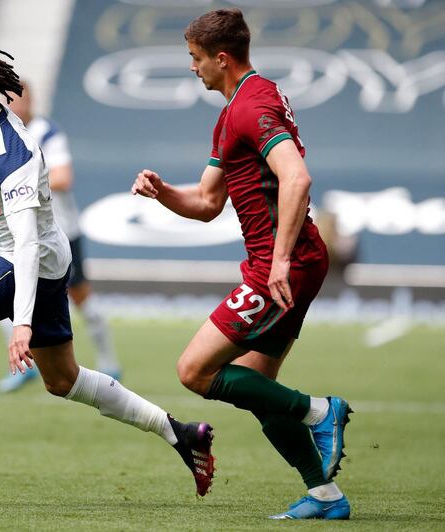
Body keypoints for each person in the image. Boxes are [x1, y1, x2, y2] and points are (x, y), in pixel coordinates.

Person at [0, 47, 214, 505]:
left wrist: (21, 325)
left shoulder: (11, 158)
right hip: (50, 261)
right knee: (63, 380)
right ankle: (179, 433)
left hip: (24, 261)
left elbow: (26, 246)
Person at [131, 9, 352, 520]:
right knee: (259, 389)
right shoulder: (237, 110)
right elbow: (208, 203)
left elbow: (296, 180)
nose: (192, 68)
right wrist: (163, 193)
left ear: (221, 58)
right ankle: (324, 495)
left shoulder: (251, 108)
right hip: (287, 260)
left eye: (196, 58)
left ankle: (320, 410)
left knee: (194, 370)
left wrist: (277, 261)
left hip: (284, 264)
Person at [0, 80, 122, 393]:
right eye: (7, 100)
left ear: (31, 101)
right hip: (23, 233)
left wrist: (24, 179)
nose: (13, 106)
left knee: (81, 299)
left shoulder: (46, 132)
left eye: (18, 99)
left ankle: (109, 363)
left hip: (61, 232)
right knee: (4, 296)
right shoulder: (0, 136)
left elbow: (64, 178)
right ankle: (24, 367)